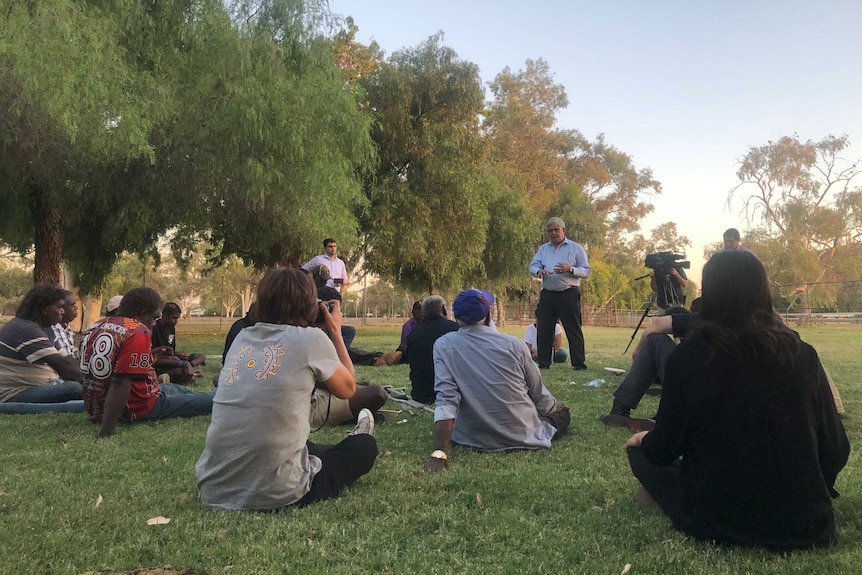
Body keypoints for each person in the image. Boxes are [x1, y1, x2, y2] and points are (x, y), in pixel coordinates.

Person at [624, 250, 849, 550]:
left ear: (710, 295)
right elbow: (836, 449)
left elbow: (663, 450)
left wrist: (645, 439)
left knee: (638, 453)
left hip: (717, 520)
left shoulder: (689, 357)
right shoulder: (802, 354)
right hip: (807, 524)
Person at [196, 267, 378, 509]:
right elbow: (347, 389)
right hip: (278, 491)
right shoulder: (311, 339)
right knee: (364, 447)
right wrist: (334, 330)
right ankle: (356, 436)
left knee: (306, 446)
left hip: (213, 488)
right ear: (310, 303)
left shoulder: (243, 337)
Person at [423, 290, 570, 471]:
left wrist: (439, 453)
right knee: (562, 415)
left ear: (456, 317)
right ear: (488, 314)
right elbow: (538, 393)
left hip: (471, 437)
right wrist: (554, 409)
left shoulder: (443, 345)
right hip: (522, 434)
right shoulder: (514, 344)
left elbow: (447, 398)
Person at [80, 287, 214, 437]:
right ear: (143, 313)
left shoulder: (95, 326)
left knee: (177, 390)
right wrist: (106, 432)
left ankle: (209, 393)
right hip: (136, 407)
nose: (153, 324)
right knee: (210, 402)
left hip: (97, 405)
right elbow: (120, 383)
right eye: (155, 318)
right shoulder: (137, 331)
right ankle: (221, 392)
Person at [600, 306, 690, 431]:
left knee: (655, 339)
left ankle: (620, 408)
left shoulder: (711, 318)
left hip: (691, 390)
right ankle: (666, 415)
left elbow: (658, 324)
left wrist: (637, 350)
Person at [0, 284, 85, 414]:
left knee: (75, 386)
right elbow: (63, 366)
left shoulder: (45, 328)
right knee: (74, 389)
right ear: (45, 309)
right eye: (59, 307)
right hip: (14, 393)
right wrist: (96, 383)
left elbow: (67, 359)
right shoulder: (25, 329)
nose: (62, 311)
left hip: (39, 385)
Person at [529, 217, 591, 370]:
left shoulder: (575, 248)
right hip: (548, 293)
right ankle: (544, 363)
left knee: (573, 329)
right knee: (544, 329)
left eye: (556, 229)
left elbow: (586, 271)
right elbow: (533, 265)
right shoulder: (543, 249)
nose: (553, 233)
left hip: (568, 293)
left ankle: (578, 364)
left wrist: (570, 269)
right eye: (550, 230)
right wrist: (539, 270)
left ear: (564, 230)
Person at [403, 295, 459, 404]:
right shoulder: (456, 330)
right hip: (450, 394)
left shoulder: (413, 334)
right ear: (444, 309)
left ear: (423, 313)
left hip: (421, 395)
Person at [150, 302, 206, 384]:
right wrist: (179, 360)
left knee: (201, 356)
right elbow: (151, 354)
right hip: (159, 360)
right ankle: (186, 370)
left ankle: (187, 368)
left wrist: (179, 354)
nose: (176, 321)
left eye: (177, 318)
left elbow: (171, 349)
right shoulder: (154, 328)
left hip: (171, 358)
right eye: (174, 318)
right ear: (165, 315)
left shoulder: (171, 328)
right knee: (176, 362)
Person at [374, 300, 422, 367]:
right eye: (418, 310)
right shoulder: (408, 325)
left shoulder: (429, 323)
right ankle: (389, 358)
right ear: (413, 312)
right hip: (409, 349)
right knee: (402, 351)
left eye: (423, 310)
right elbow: (405, 343)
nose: (421, 312)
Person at [49, 290, 79, 358]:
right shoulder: (52, 329)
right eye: (72, 305)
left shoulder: (66, 327)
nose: (76, 308)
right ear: (61, 308)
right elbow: (64, 358)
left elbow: (71, 351)